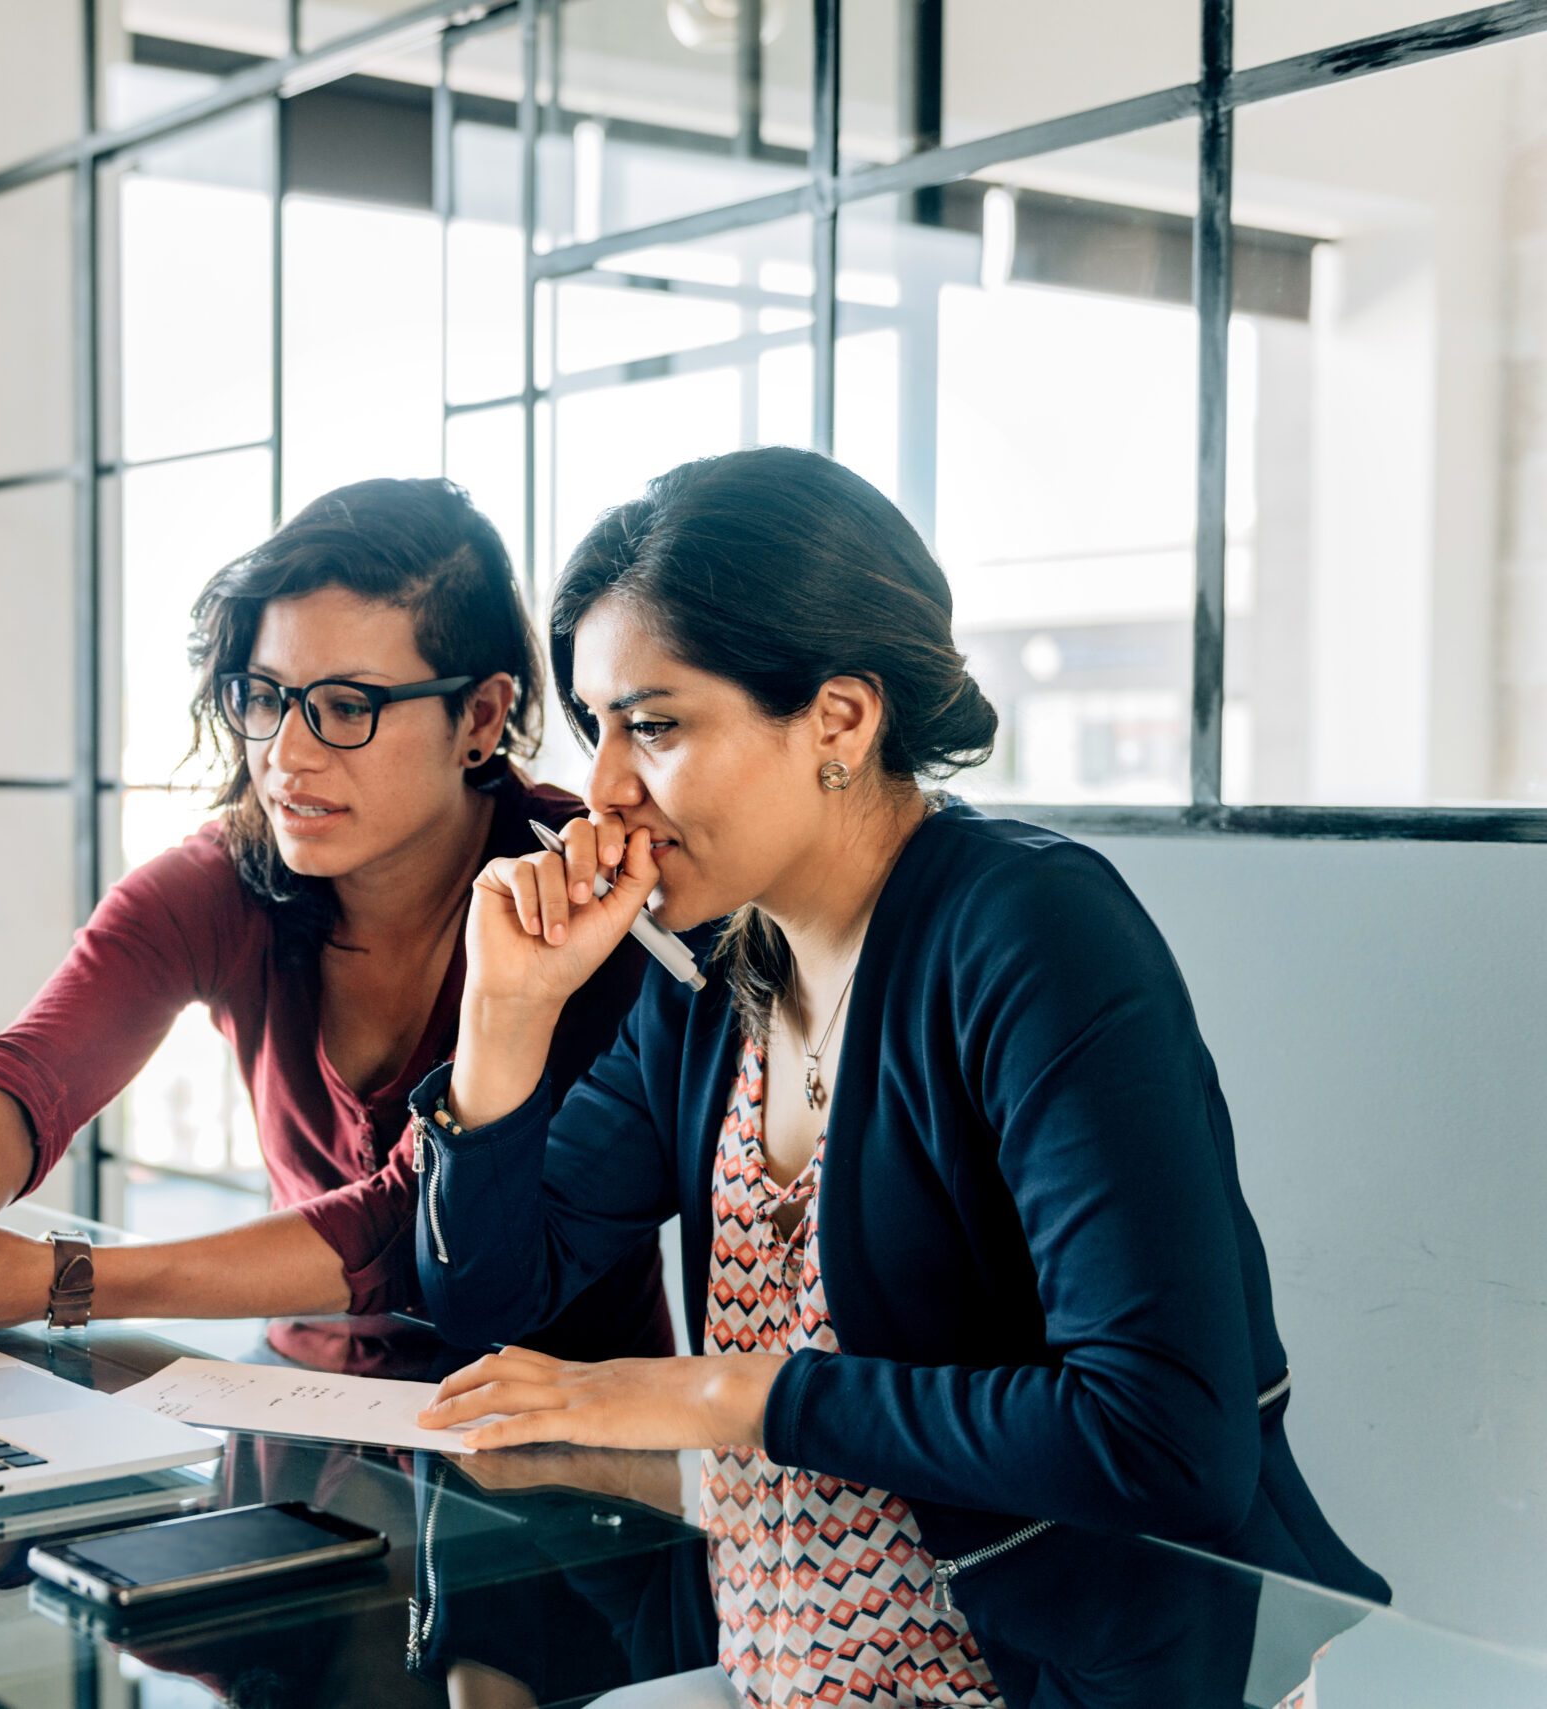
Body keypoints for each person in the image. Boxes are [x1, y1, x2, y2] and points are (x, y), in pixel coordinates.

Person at [406, 449, 1386, 1706]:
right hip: (774, 1673)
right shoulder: (714, 969)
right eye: (597, 725)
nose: (601, 788)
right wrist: (503, 1018)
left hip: (1043, 1682)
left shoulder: (1030, 933)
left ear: (839, 720)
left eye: (653, 724)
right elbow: (489, 1289)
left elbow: (1162, 1436)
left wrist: (724, 1392)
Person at [0, 477, 670, 1382]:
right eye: (265, 696)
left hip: (558, 1452)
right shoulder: (232, 874)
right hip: (298, 1403)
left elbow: (406, 1228)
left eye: (348, 706)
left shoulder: (580, 898)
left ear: (479, 716)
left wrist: (64, 1279)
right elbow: (33, 1069)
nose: (286, 755)